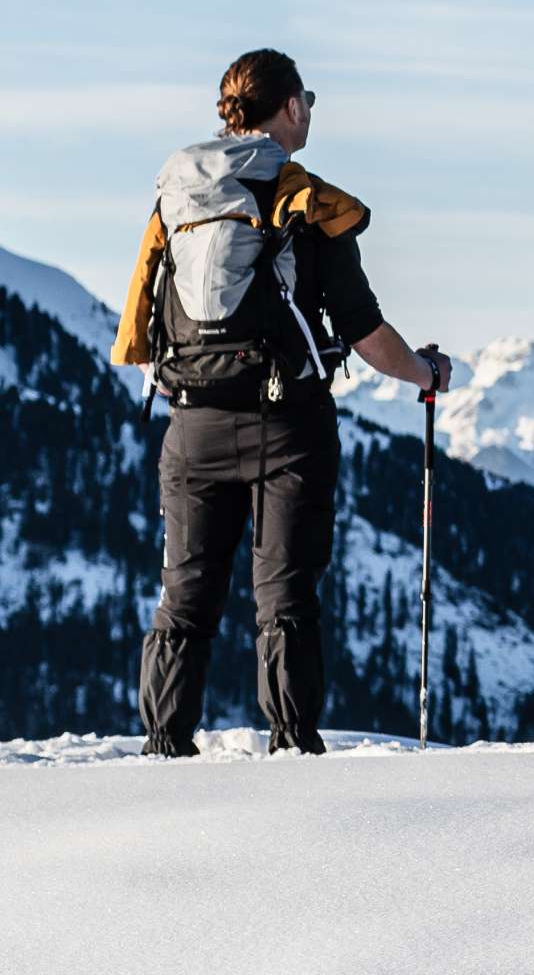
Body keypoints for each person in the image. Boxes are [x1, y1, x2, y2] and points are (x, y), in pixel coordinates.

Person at [113, 49, 452, 756]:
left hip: (192, 423)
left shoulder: (176, 198)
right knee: (285, 597)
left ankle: (163, 747)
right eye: (309, 102)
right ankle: (293, 746)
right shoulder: (303, 198)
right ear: (291, 107)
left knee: (185, 596)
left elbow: (139, 328)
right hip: (287, 426)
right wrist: (424, 372)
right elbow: (365, 334)